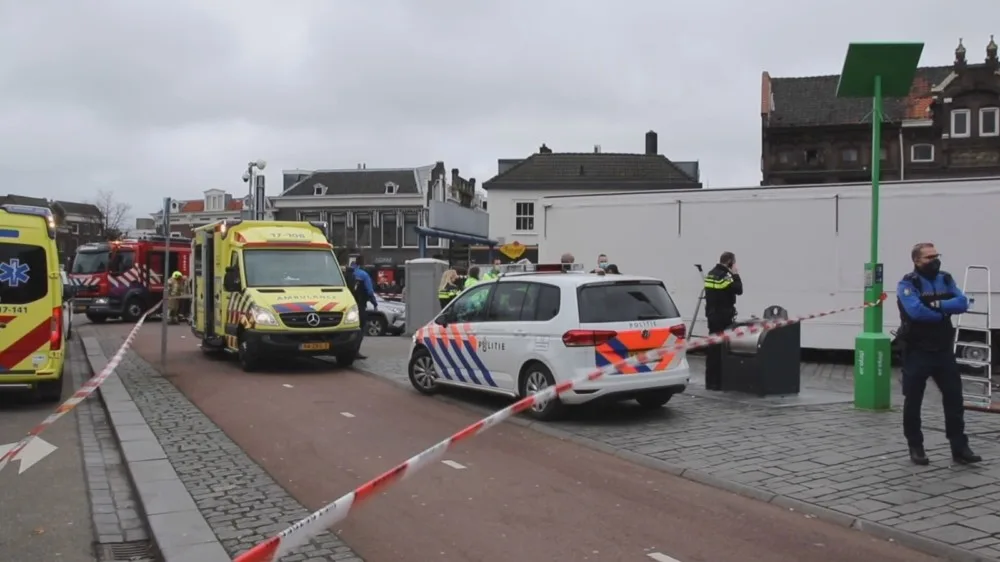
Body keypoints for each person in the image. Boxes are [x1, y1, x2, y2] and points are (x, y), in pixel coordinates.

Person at [897, 242, 981, 465]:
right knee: (913, 402)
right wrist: (943, 311)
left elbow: (963, 302)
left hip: (943, 351)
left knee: (954, 399)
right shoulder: (908, 283)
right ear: (916, 261)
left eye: (936, 255)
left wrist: (937, 306)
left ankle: (960, 448)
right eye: (928, 257)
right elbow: (915, 312)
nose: (934, 260)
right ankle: (916, 447)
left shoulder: (945, 278)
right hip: (917, 351)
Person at [703, 252, 743, 391]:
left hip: (712, 316)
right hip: (723, 317)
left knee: (712, 349)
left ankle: (710, 382)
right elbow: (739, 289)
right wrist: (736, 274)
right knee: (722, 350)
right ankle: (719, 382)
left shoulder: (711, 273)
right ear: (730, 262)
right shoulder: (725, 276)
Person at [347, 257, 377, 360]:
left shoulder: (347, 273)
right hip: (359, 305)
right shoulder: (364, 274)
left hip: (347, 305)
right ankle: (355, 351)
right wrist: (374, 303)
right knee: (360, 328)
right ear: (363, 263)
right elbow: (369, 291)